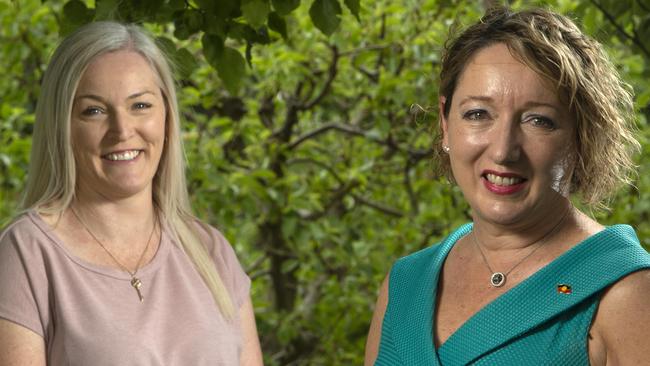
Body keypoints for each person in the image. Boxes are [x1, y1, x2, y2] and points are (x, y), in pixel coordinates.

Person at [365, 6, 650, 366]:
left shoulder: (628, 293)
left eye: (538, 120)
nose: (503, 151)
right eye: (478, 114)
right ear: (445, 123)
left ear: (581, 137)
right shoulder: (403, 285)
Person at [0, 21, 263, 365]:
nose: (122, 130)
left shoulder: (210, 252)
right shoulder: (26, 254)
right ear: (61, 126)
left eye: (140, 105)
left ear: (167, 118)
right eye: (93, 111)